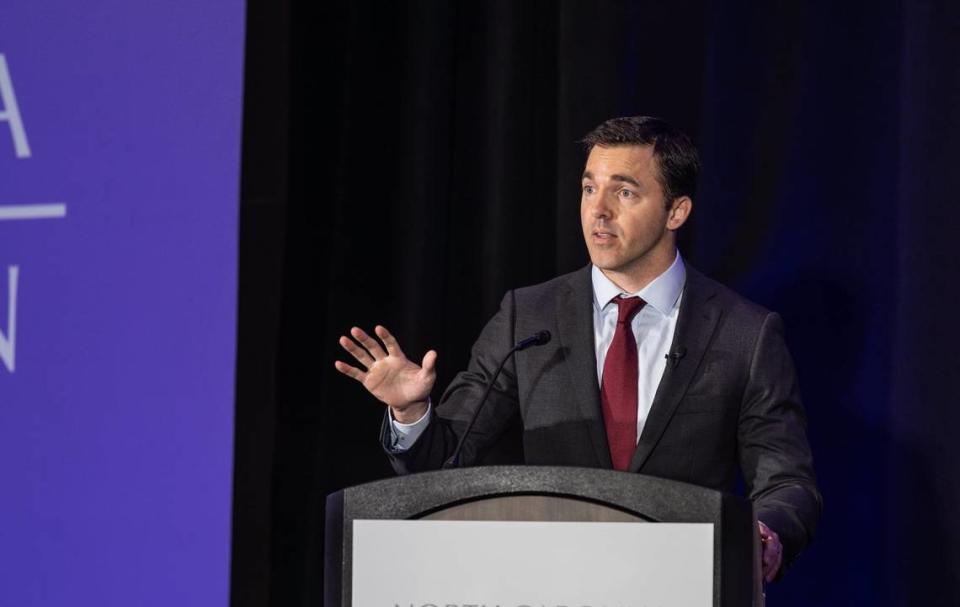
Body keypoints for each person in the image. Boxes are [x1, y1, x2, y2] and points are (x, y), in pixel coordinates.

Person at [334, 116, 821, 582]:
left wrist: (765, 534)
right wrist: (413, 412)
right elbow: (446, 461)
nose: (598, 210)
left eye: (624, 192)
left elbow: (787, 482)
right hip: (553, 583)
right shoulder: (530, 315)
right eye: (589, 188)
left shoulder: (744, 333)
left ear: (677, 211)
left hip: (683, 584)